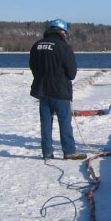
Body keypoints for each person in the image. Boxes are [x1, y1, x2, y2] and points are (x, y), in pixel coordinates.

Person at [29, 19, 85, 160]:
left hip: (42, 90)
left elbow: (33, 66)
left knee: (46, 123)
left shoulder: (37, 46)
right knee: (64, 122)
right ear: (62, 32)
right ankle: (69, 151)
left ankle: (47, 152)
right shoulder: (63, 47)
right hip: (60, 91)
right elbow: (72, 73)